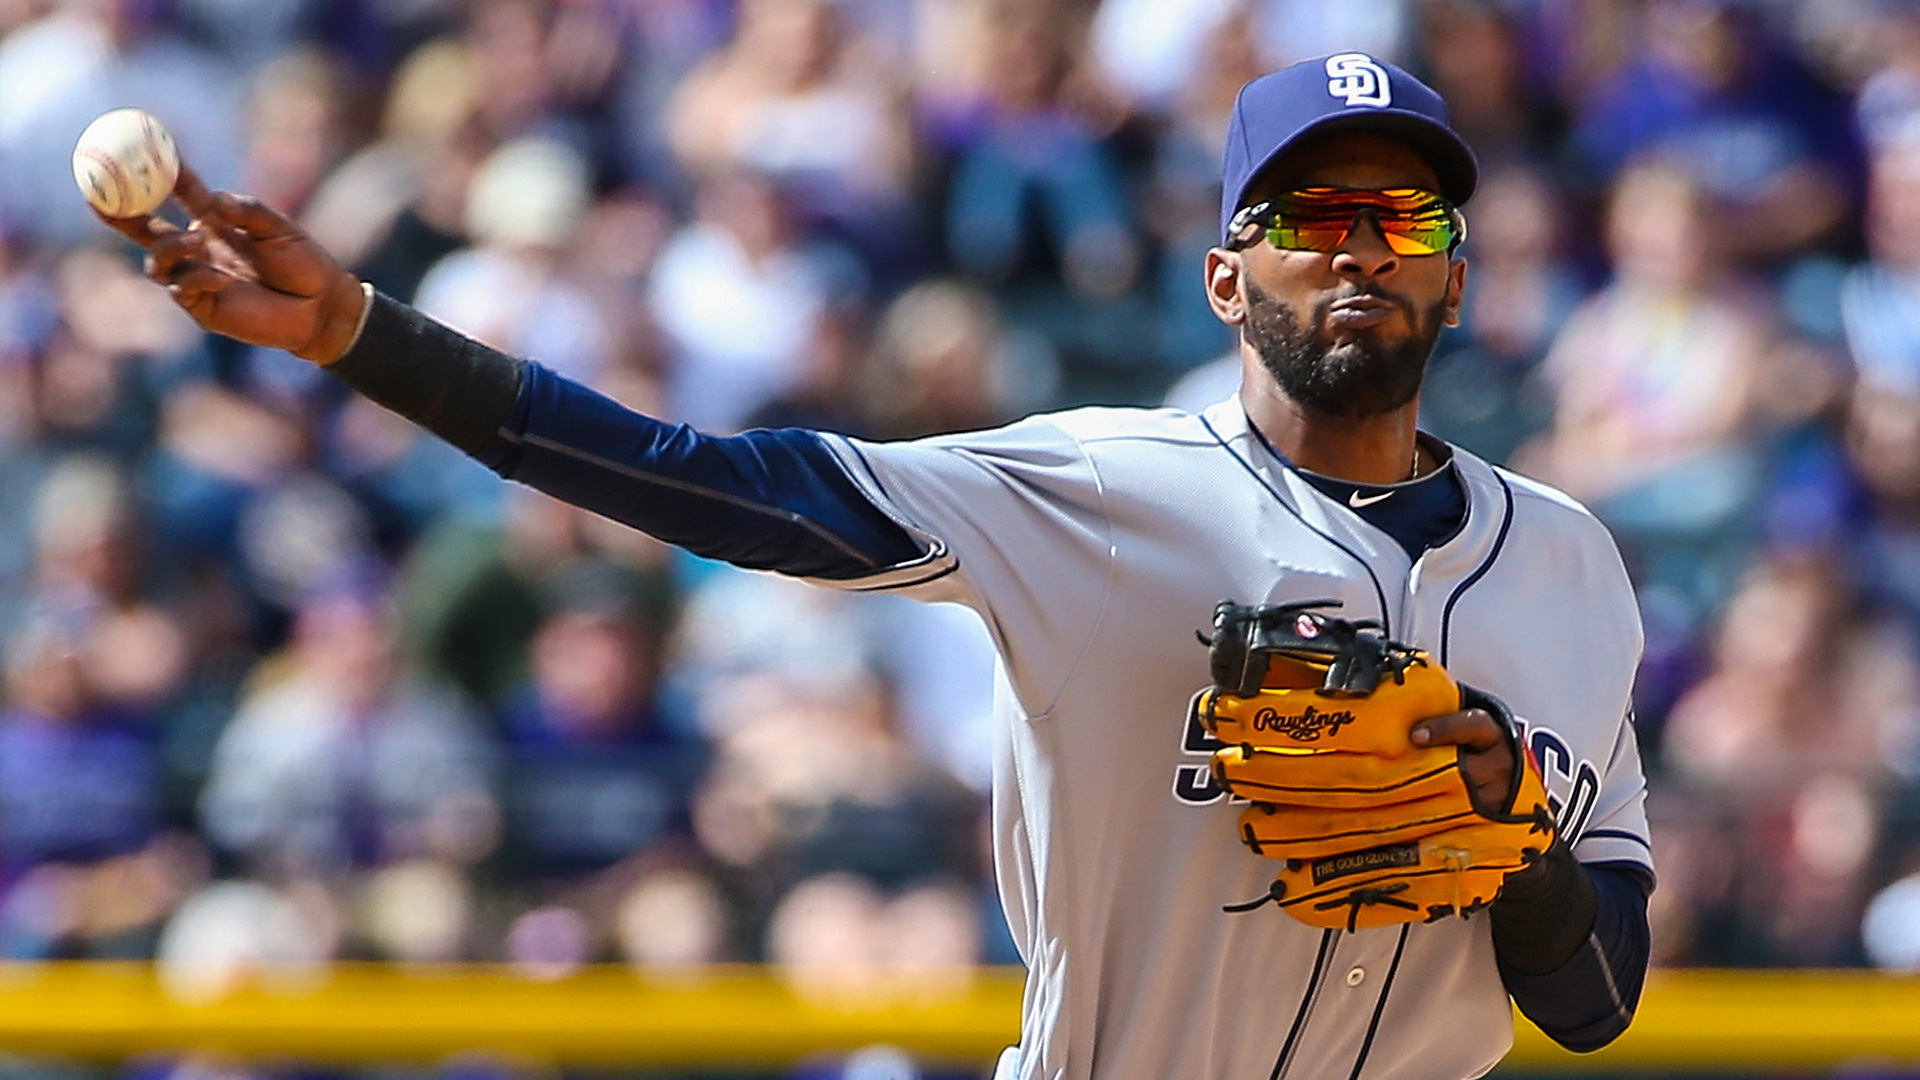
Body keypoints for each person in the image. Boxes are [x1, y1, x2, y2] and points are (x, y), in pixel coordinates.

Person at [105, 53, 1651, 1080]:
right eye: (1315, 214)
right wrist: (361, 336)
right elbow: (715, 489)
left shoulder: (1571, 571)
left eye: (1405, 215)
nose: (1362, 247)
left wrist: (1515, 845)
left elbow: (1591, 1010)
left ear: (1457, 270)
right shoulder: (1109, 488)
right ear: (1224, 275)